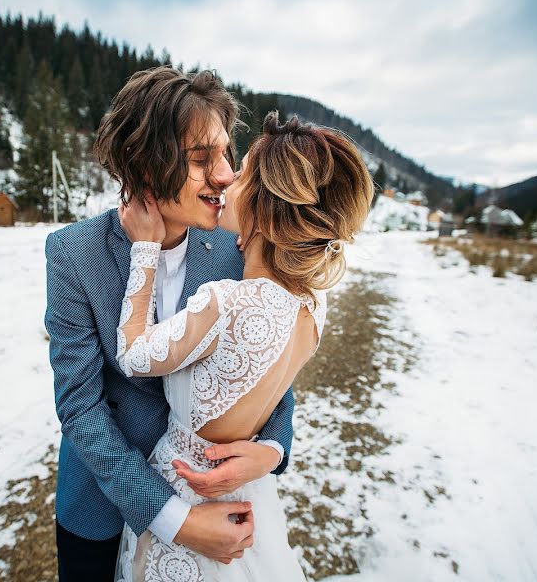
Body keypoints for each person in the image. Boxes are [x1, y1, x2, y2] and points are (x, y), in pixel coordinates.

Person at [45, 67, 295, 581]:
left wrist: (271, 449)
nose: (224, 175)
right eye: (202, 160)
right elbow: (80, 406)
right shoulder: (73, 253)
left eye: (226, 155)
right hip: (101, 505)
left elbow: (270, 363)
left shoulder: (234, 249)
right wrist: (174, 520)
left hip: (208, 492)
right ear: (144, 163)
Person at [113, 111, 374, 581]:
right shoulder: (312, 307)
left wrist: (145, 251)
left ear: (266, 210)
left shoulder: (226, 302)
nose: (229, 177)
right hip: (247, 500)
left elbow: (133, 354)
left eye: (244, 172)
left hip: (189, 494)